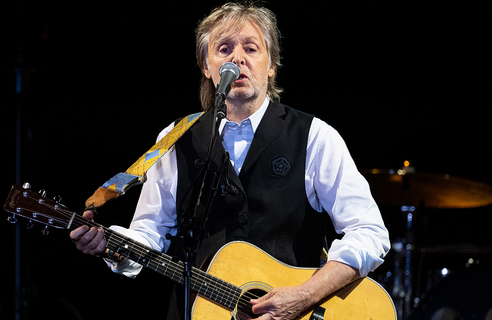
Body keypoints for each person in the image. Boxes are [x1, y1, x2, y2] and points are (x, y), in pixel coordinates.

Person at [70, 3, 389, 320]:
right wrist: (110, 246)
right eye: (224, 49)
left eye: (251, 48)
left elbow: (370, 232)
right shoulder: (176, 137)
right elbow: (150, 233)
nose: (237, 58)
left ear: (272, 64)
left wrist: (304, 296)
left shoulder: (315, 136)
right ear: (207, 67)